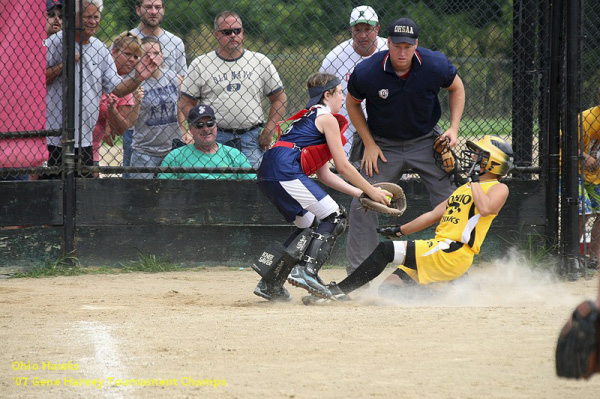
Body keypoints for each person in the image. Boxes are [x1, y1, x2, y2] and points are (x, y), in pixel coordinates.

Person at [313, 135, 514, 302]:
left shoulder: (498, 188)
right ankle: (450, 295)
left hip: (453, 251)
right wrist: (400, 230)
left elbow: (486, 208)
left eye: (480, 155)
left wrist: (475, 181)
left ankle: (336, 292)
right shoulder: (465, 188)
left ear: (493, 162)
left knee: (385, 251)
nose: (473, 158)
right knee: (390, 290)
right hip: (440, 248)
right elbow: (432, 215)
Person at [251, 72, 392, 302]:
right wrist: (372, 190)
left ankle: (270, 282)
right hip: (285, 170)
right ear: (327, 95)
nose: (341, 98)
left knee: (307, 224)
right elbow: (344, 166)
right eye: (339, 93)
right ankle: (307, 272)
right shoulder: (327, 118)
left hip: (270, 172)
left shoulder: (310, 117)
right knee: (335, 216)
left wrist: (361, 194)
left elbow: (324, 174)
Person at [344, 17, 466, 276]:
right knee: (363, 202)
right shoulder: (368, 71)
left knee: (454, 201)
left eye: (407, 46)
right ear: (386, 43)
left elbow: (456, 87)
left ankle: (453, 269)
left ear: (416, 45)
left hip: (425, 141)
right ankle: (359, 274)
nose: (402, 52)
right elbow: (352, 104)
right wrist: (368, 143)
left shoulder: (434, 65)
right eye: (397, 45)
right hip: (383, 145)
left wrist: (453, 128)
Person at [45, 0, 157, 177]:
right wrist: (63, 66)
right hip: (52, 137)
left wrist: (137, 78)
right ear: (74, 17)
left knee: (82, 194)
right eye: (88, 16)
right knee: (51, 191)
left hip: (85, 140)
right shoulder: (55, 42)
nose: (93, 21)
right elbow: (37, 80)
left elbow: (117, 88)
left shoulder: (100, 49)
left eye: (96, 17)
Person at [179, 10, 287, 169]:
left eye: (237, 30)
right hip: (215, 137)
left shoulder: (260, 61)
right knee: (214, 185)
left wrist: (269, 130)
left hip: (251, 137)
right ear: (216, 34)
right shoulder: (201, 64)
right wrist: (201, 127)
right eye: (227, 32)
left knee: (255, 184)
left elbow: (280, 98)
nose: (233, 35)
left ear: (242, 32)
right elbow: (186, 101)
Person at [122, 0, 187, 174]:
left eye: (157, 7)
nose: (153, 11)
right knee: (133, 183)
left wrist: (183, 127)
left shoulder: (175, 42)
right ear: (137, 9)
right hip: (135, 125)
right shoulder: (127, 39)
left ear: (163, 10)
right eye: (148, 7)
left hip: (168, 127)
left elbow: (181, 90)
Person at [320, 5, 387, 160]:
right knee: (349, 171)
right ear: (351, 30)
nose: (362, 35)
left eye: (368, 29)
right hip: (347, 129)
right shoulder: (335, 58)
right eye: (357, 30)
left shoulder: (389, 51)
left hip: (385, 124)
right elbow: (320, 95)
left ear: (377, 29)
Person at [129, 37, 183, 179]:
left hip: (173, 149)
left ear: (162, 55)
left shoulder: (173, 78)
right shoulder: (135, 82)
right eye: (147, 54)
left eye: (156, 53)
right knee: (142, 197)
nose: (151, 57)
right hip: (144, 151)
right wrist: (136, 101)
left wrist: (185, 131)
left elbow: (182, 106)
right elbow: (130, 121)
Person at [92, 32, 145, 172]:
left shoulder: (126, 86)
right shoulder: (96, 71)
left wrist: (112, 111)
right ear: (114, 52)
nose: (132, 60)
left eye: (136, 56)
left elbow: (122, 128)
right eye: (127, 54)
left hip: (92, 149)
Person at [158, 104, 254, 180]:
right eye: (199, 125)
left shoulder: (234, 154)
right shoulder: (175, 156)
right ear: (191, 129)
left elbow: (251, 184)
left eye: (210, 124)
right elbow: (165, 188)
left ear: (216, 126)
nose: (205, 129)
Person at [578, 105, 600, 265]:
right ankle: (573, 255)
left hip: (596, 174)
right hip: (572, 171)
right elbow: (561, 140)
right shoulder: (586, 118)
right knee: (583, 211)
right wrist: (583, 155)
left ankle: (594, 257)